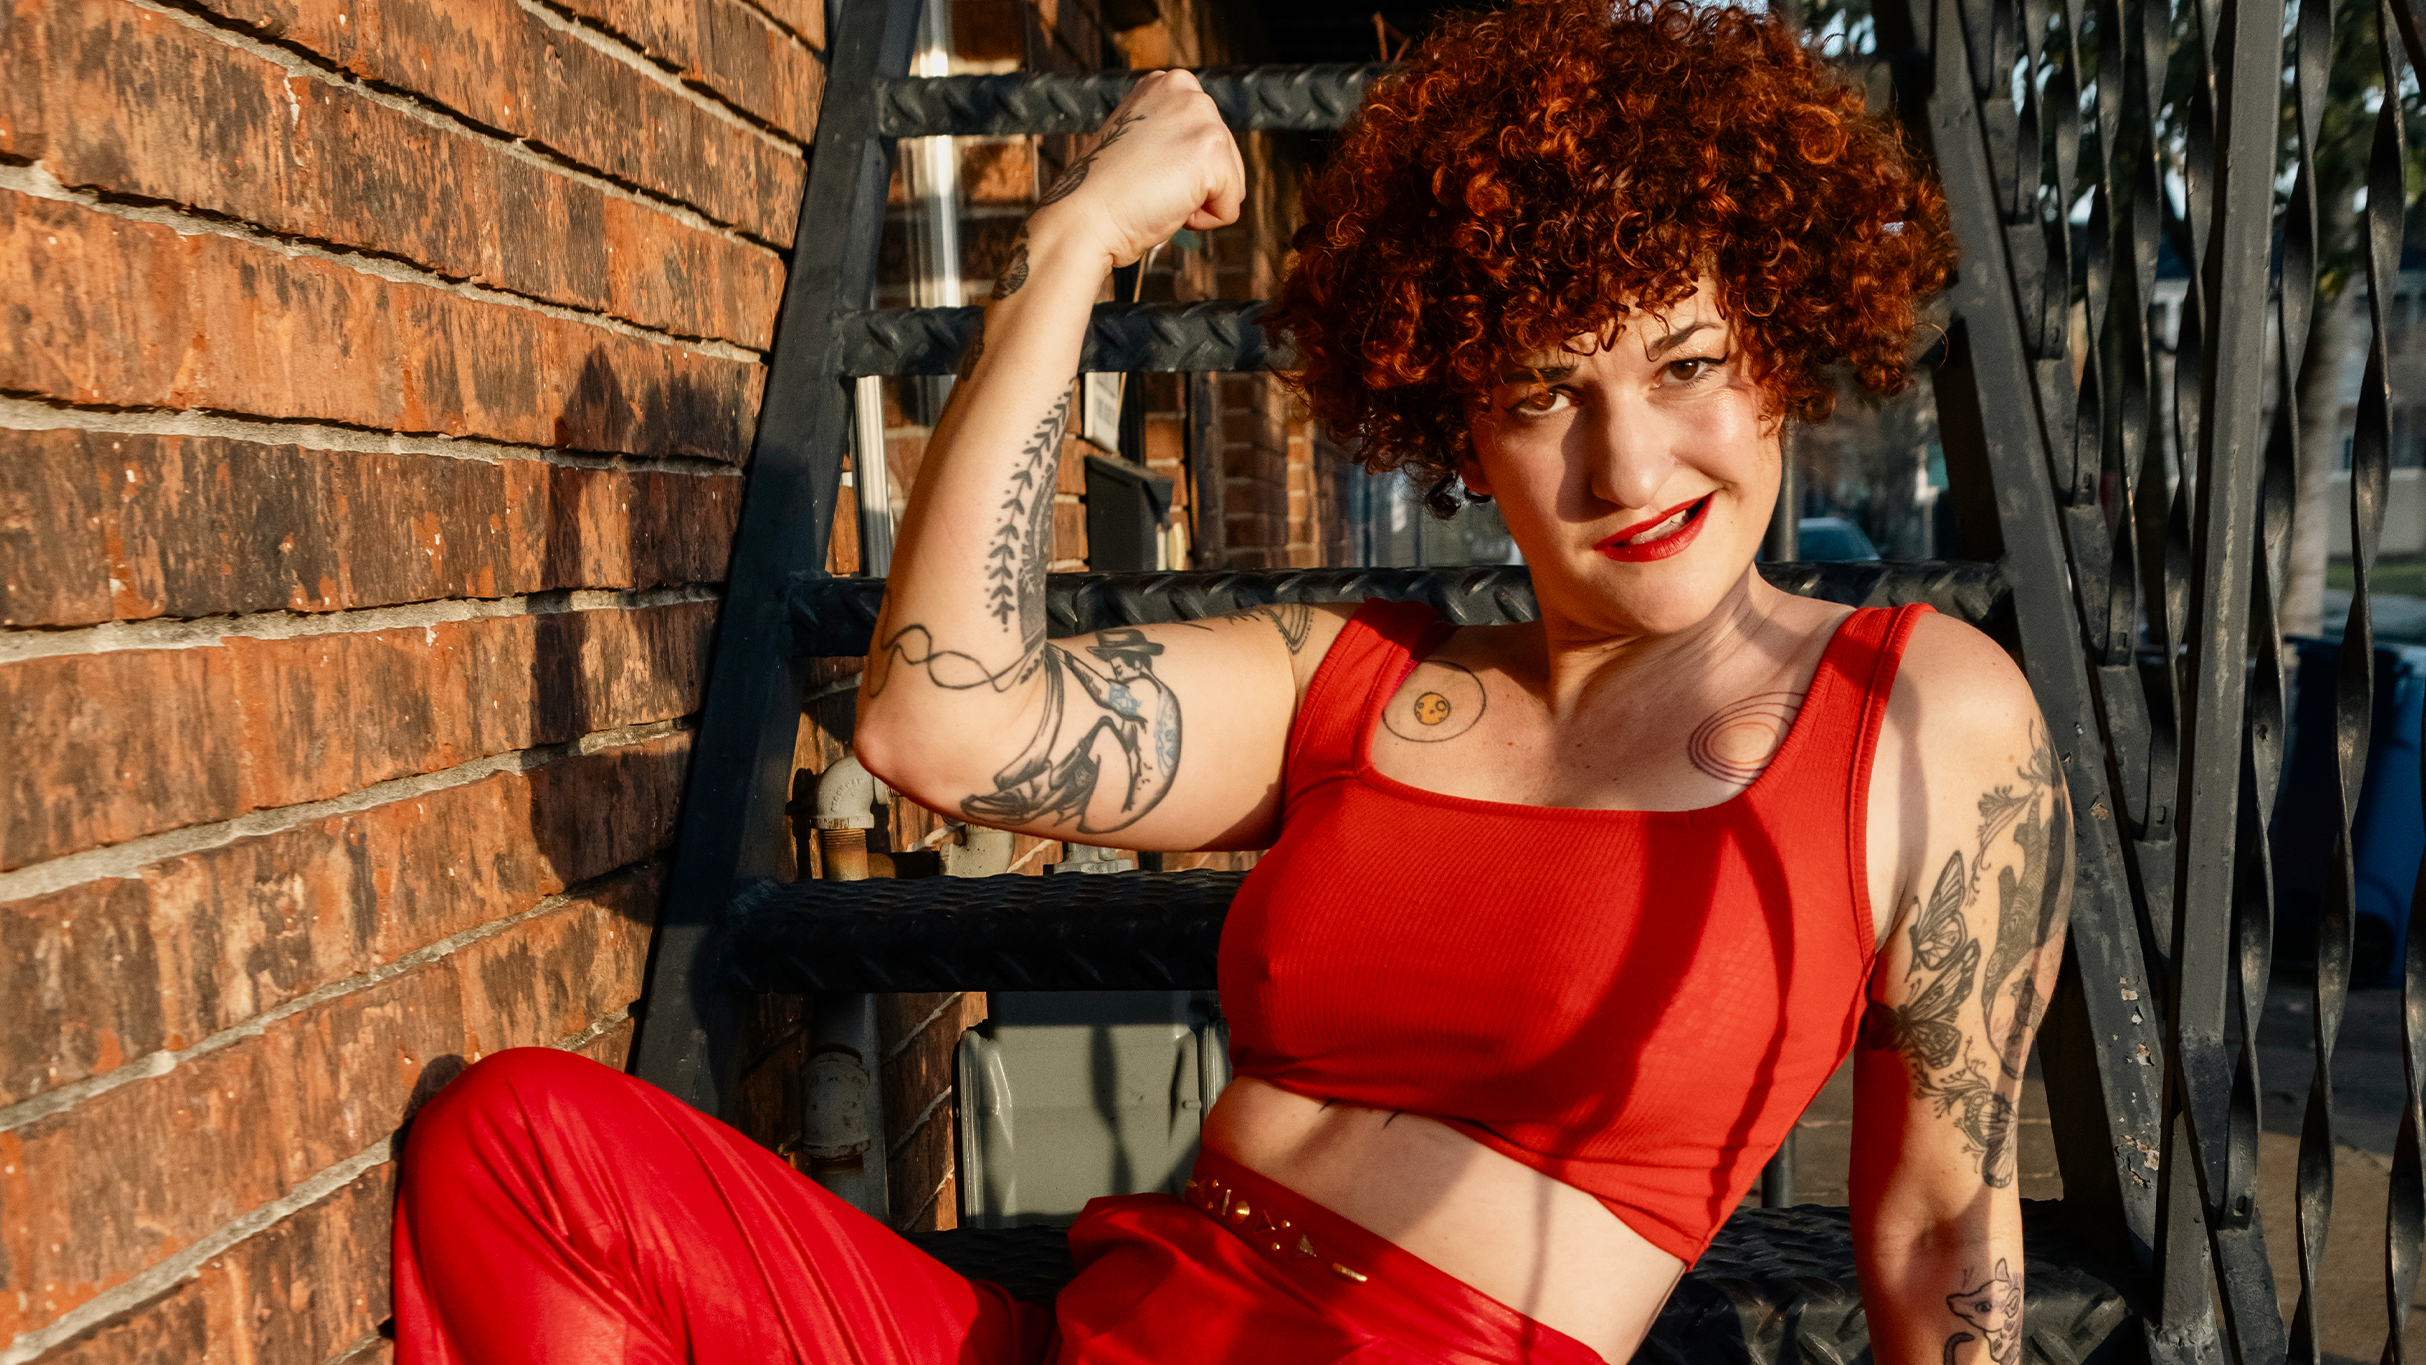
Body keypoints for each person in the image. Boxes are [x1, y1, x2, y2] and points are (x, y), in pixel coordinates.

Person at [389, 2, 2070, 1363]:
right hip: (1098, 1331)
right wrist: (1071, 248)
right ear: (1456, 425)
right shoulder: (1351, 677)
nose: (1628, 463)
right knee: (527, 1145)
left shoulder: (1922, 714)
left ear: (1777, 341)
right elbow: (936, 721)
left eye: (1686, 364)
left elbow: (1938, 1229)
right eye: (1541, 393)